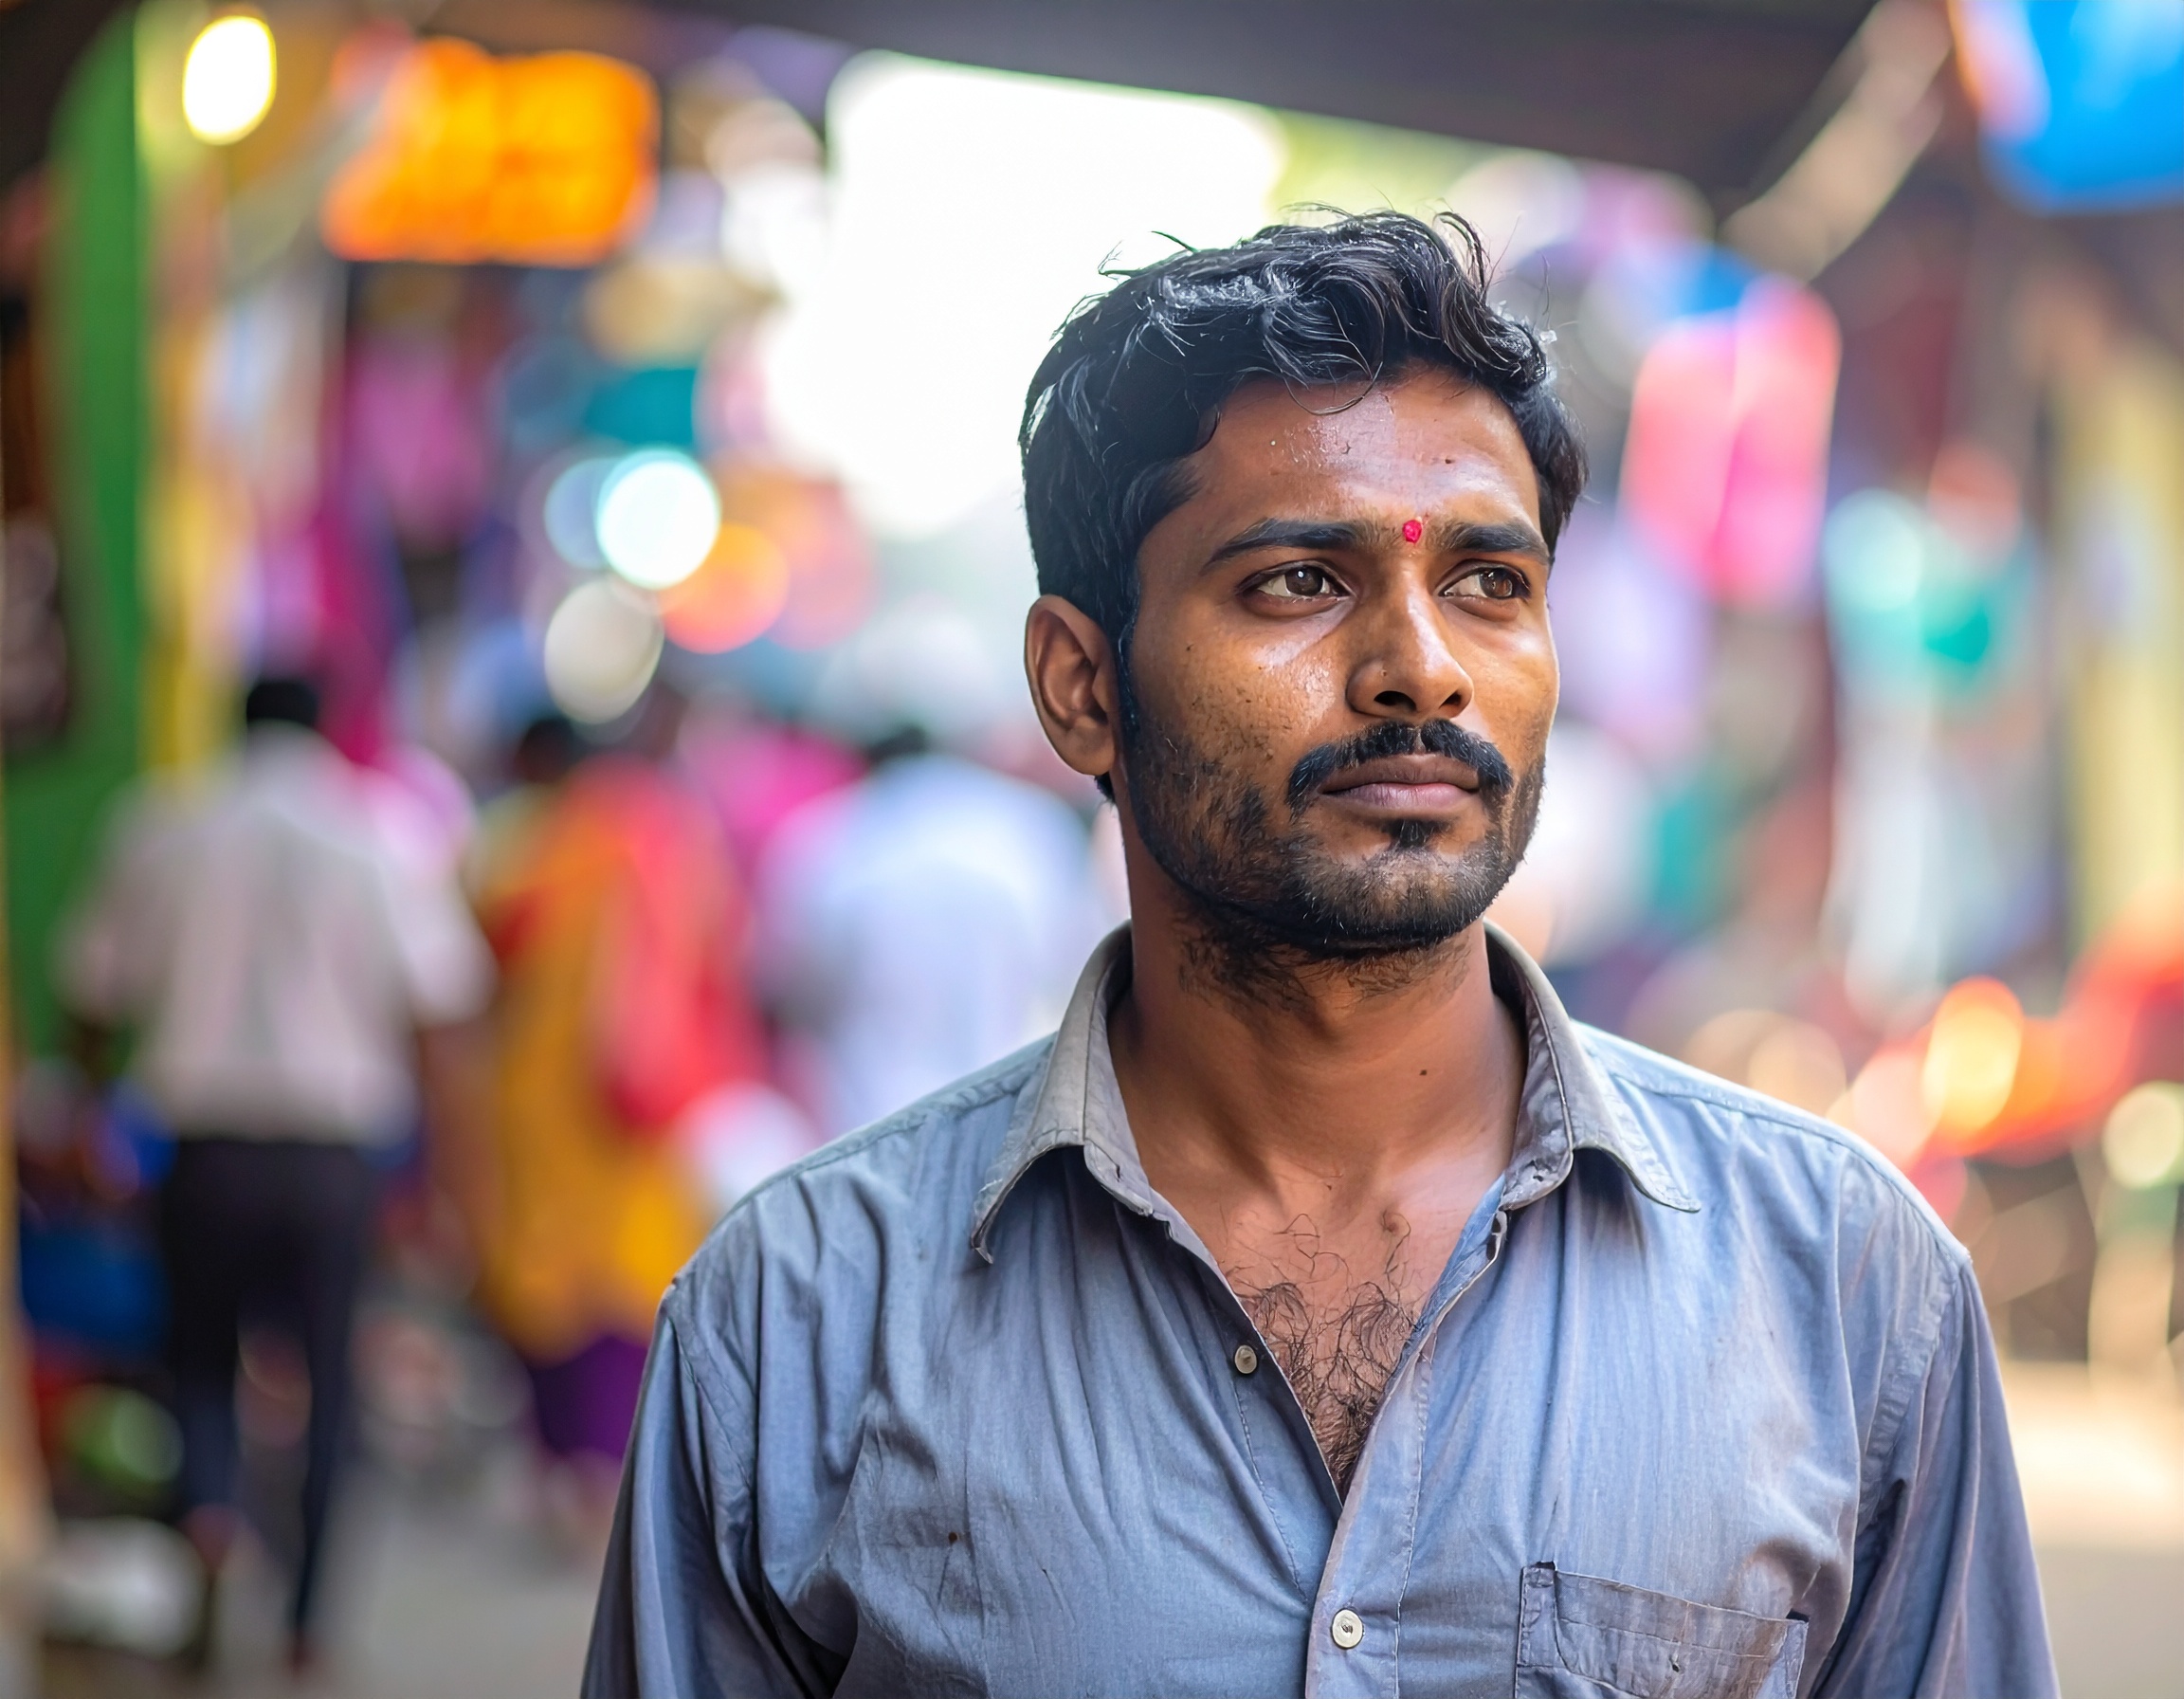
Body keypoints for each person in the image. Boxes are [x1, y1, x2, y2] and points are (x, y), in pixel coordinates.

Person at [585, 214, 2055, 1698]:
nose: (1422, 663)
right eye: (1297, 580)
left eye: (1491, 581)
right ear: (1081, 686)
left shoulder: (1849, 1290)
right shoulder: (792, 1326)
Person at [58, 675, 493, 1668]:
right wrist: (442, 1182)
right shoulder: (380, 835)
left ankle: (209, 1515)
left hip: (200, 1146)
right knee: (330, 1378)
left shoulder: (164, 822)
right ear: (324, 727)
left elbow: (89, 992)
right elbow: (440, 1017)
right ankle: (305, 1615)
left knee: (200, 1357)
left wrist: (88, 1124)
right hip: (335, 1156)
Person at [463, 713, 774, 1532]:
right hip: (642, 1100)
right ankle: (609, 1471)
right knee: (629, 1277)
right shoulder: (671, 834)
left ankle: (564, 1467)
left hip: (536, 1100)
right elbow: (727, 952)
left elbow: (485, 946)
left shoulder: (531, 846)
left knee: (537, 1274)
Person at [755, 724, 1115, 1138]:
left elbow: (789, 989)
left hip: (862, 1122)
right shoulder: (1028, 830)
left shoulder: (829, 836)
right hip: (998, 1118)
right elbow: (1075, 971)